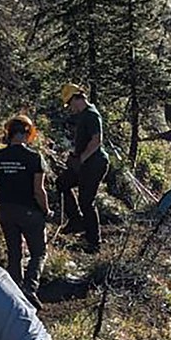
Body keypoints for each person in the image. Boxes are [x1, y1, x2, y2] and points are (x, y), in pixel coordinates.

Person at [0, 113, 50, 305]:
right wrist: (46, 210)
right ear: (28, 134)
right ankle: (29, 288)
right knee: (38, 253)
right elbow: (39, 190)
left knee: (14, 252)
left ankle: (14, 293)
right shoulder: (34, 158)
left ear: (9, 133)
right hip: (30, 212)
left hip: (5, 210)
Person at [58, 82, 109, 253]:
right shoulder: (84, 115)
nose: (70, 108)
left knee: (87, 201)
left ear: (76, 98)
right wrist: (75, 156)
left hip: (95, 163)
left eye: (70, 103)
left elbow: (96, 140)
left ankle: (94, 242)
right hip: (85, 162)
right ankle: (75, 221)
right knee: (62, 183)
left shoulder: (92, 115)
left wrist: (81, 159)